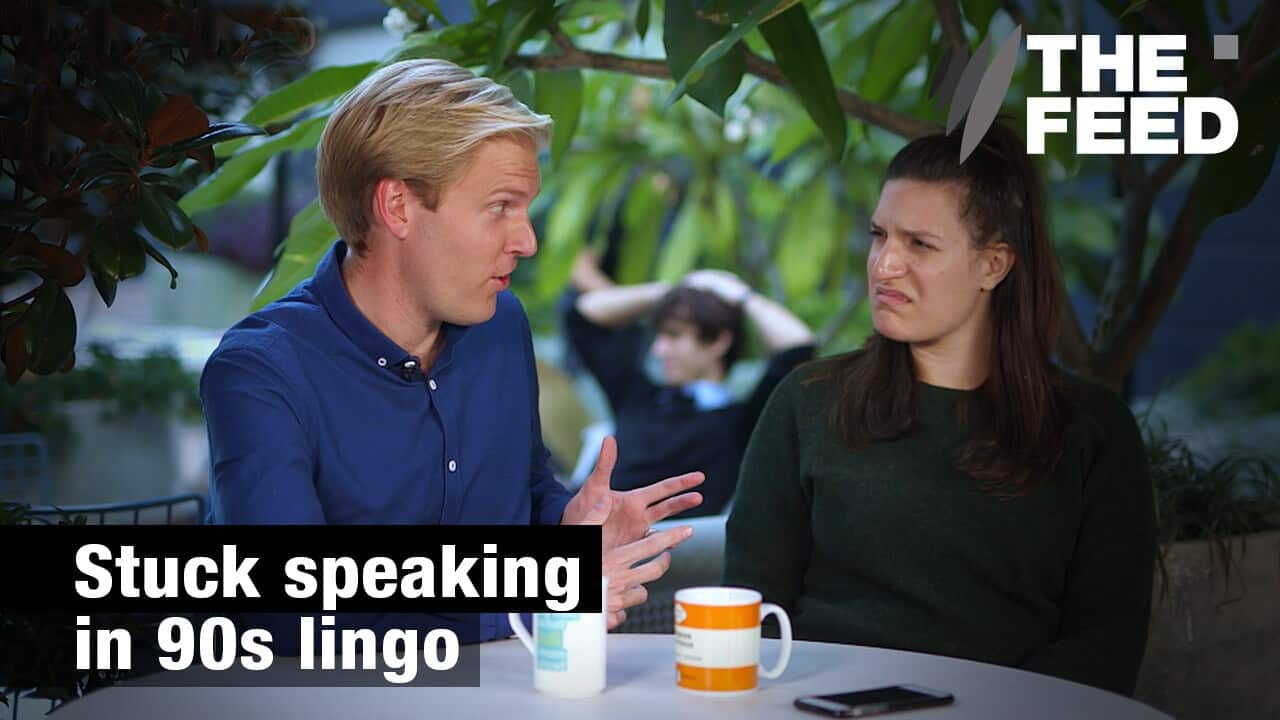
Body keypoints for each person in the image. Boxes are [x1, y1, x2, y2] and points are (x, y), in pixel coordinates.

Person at [200, 59, 704, 647]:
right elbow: (287, 614)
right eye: (501, 207)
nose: (528, 240)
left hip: (513, 684)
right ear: (398, 207)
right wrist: (534, 606)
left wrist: (568, 526)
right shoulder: (260, 372)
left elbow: (523, 488)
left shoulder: (501, 325)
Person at [723, 122, 1156, 695]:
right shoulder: (808, 400)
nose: (884, 265)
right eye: (879, 235)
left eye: (919, 245)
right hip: (815, 706)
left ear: (994, 264)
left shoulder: (1090, 429)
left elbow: (1104, 649)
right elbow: (748, 610)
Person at [563, 250, 815, 517]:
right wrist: (674, 290)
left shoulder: (743, 423)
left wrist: (739, 295)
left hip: (661, 540)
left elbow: (798, 345)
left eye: (674, 335)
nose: (659, 350)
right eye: (660, 336)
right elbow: (583, 316)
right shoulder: (637, 395)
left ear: (718, 341)